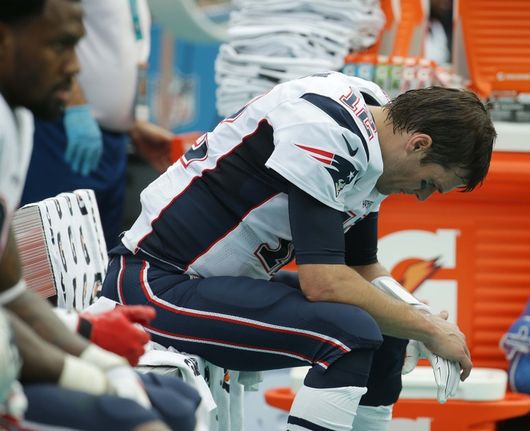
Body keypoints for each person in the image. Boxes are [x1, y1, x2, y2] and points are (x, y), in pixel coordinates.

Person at [102, 71, 496, 431]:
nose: (423, 196)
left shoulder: (377, 124)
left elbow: (360, 265)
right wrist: (427, 328)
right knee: (351, 336)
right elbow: (323, 282)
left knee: (385, 328)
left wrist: (422, 318)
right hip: (153, 283)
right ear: (418, 143)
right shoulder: (327, 131)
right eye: (429, 182)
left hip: (204, 282)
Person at [0, 1, 199, 429]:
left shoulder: (15, 119)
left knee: (178, 402)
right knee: (133, 417)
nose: (75, 68)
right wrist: (91, 369)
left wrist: (95, 352)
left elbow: (9, 293)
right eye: (61, 46)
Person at [21, 0, 172, 248]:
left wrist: (132, 125)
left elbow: (114, 49)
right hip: (63, 130)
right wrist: (73, 101)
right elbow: (43, 27)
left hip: (113, 143)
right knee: (54, 252)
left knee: (97, 261)